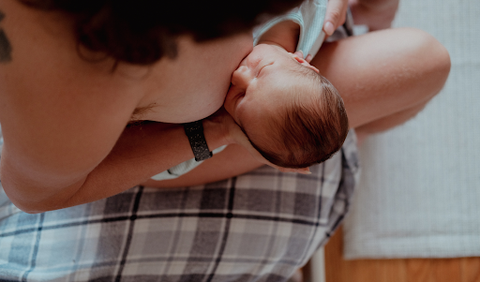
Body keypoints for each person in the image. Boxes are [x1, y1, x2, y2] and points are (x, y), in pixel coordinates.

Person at [0, 0, 450, 281]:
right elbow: (36, 194)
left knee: (428, 58)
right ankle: (306, 140)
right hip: (186, 139)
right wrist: (218, 130)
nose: (241, 68)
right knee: (416, 69)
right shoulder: (68, 90)